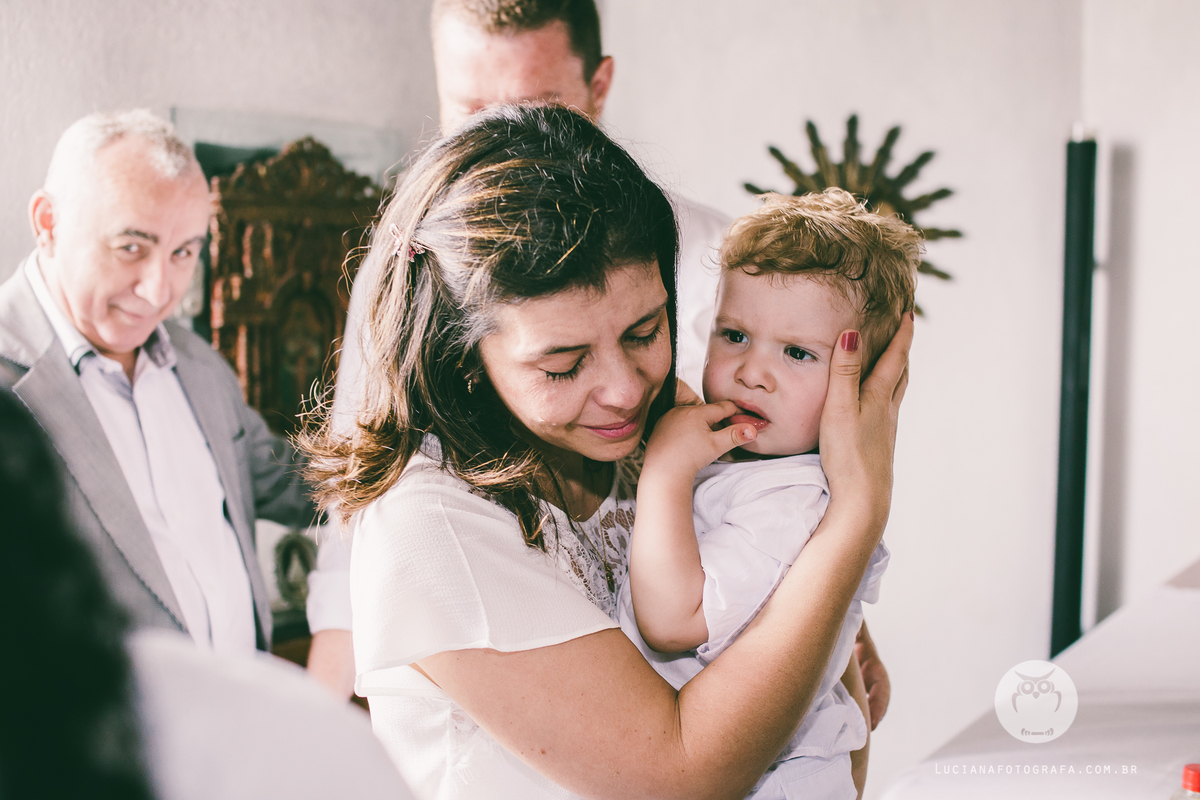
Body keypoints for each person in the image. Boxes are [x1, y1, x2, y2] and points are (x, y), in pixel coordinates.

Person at [302, 104, 911, 799]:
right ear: (464, 357)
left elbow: (829, 696)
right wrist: (859, 510)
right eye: (563, 365)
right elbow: (683, 777)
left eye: (645, 331)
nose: (624, 391)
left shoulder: (662, 426)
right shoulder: (432, 525)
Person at [619, 190, 920, 799]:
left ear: (859, 387)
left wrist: (666, 472)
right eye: (734, 335)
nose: (752, 372)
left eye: (797, 352)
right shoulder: (748, 464)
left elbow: (673, 622)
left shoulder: (792, 500)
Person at [0, 386, 417, 800]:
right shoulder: (14, 382)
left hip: (245, 736)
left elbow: (304, 482)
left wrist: (400, 452)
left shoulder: (202, 372)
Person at [0, 109, 313, 654]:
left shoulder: (199, 363)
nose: (158, 291)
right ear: (48, 223)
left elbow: (295, 485)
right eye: (131, 247)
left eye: (183, 252)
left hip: (243, 696)